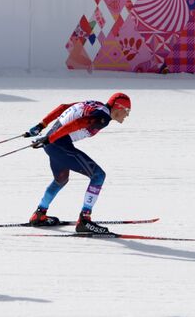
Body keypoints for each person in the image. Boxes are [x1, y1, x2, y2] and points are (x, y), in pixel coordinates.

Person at [24, 93, 131, 233]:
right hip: (57, 144)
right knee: (98, 176)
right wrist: (50, 138)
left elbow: (64, 107)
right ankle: (84, 221)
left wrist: (42, 125)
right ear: (118, 107)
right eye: (127, 111)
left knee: (60, 180)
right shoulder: (102, 118)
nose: (127, 115)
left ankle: (39, 215)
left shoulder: (97, 104)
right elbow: (76, 124)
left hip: (53, 144)